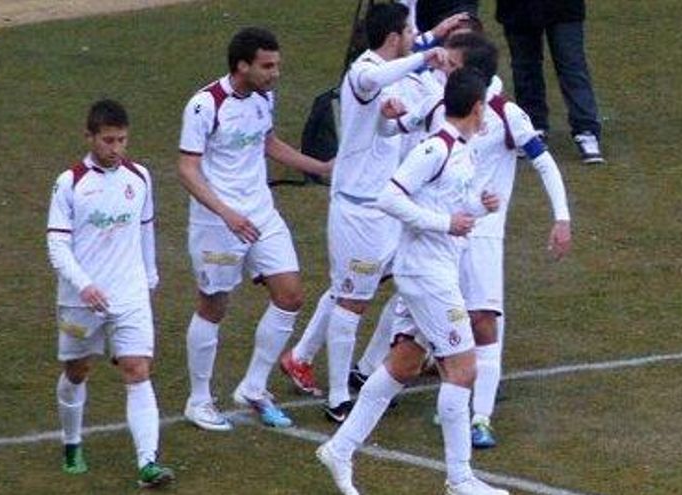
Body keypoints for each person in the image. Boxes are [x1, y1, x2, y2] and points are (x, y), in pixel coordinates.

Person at [317, 67, 508, 495]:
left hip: (436, 271)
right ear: (476, 108)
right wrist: (446, 223)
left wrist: (479, 207)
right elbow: (390, 197)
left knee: (403, 363)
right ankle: (460, 479)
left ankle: (340, 448)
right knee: (462, 369)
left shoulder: (462, 151)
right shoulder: (434, 149)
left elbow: (449, 210)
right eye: (486, 110)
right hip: (426, 276)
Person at [278, 2, 447, 423]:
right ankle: (338, 397)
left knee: (366, 286)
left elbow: (381, 131)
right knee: (351, 302)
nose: (413, 35)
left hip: (381, 208)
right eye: (409, 31)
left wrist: (393, 121)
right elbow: (373, 80)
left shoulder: (384, 74)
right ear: (394, 37)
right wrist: (425, 56)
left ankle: (304, 358)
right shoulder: (364, 71)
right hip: (358, 210)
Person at [177, 27, 331, 432]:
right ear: (242, 65)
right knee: (214, 305)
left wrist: (319, 167)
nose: (275, 72)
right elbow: (187, 169)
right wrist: (226, 213)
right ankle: (198, 400)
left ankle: (253, 387)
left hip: (261, 212)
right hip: (218, 219)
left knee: (291, 295)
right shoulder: (204, 105)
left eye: (277, 64)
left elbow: (267, 143)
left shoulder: (264, 97)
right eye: (267, 65)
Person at [442, 33, 573, 449]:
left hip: (482, 235)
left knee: (484, 320)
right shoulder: (446, 107)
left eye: (454, 63)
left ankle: (480, 417)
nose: (447, 68)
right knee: (440, 319)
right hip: (442, 231)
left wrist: (562, 218)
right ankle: (452, 396)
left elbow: (544, 163)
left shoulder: (506, 113)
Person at [46, 99, 175, 488]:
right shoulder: (69, 183)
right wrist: (84, 285)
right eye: (108, 141)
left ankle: (147, 463)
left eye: (122, 140)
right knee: (77, 370)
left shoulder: (140, 177)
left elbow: (145, 229)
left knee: (137, 370)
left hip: (129, 293)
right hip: (79, 298)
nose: (116, 149)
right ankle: (72, 442)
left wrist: (150, 276)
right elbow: (56, 245)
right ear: (89, 137)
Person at [496, 0, 605, 164]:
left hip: (564, 8)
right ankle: (533, 126)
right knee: (525, 67)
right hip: (517, 8)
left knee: (571, 66)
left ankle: (586, 130)